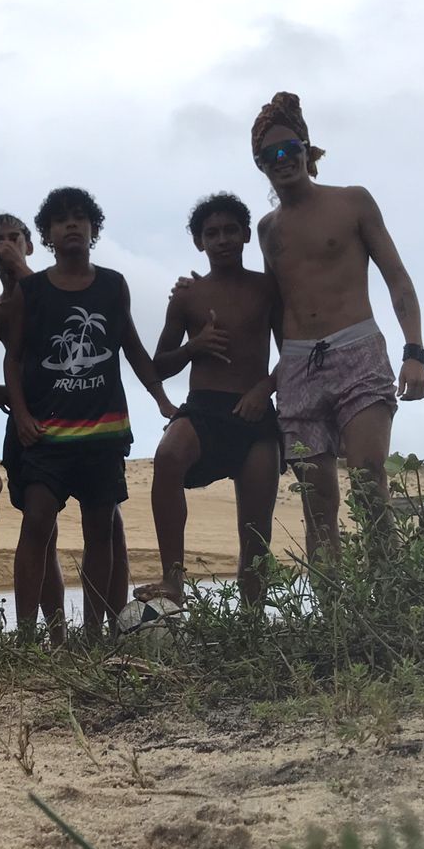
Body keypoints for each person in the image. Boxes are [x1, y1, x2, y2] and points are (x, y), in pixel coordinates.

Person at [252, 91, 424, 565]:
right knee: (317, 502)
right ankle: (335, 605)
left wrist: (415, 351)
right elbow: (276, 308)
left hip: (358, 351)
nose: (282, 159)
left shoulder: (353, 202)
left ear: (307, 149)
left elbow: (397, 278)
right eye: (270, 154)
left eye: (290, 148)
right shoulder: (268, 230)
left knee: (369, 479)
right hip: (298, 367)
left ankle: (390, 596)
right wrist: (276, 378)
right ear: (260, 165)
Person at [3, 187, 176, 640]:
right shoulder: (30, 291)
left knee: (100, 528)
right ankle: (26, 635)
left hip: (103, 432)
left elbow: (133, 348)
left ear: (93, 228)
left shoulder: (113, 284)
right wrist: (20, 414)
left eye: (80, 217)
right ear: (47, 234)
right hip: (47, 433)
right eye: (61, 220)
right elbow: (12, 359)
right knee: (37, 520)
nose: (71, 225)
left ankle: (95, 633)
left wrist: (161, 399)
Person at [0, 211, 130, 639]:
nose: (6, 246)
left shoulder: (47, 285)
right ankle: (54, 633)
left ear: (30, 244)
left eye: (15, 237)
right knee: (39, 524)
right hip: (33, 424)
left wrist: (22, 270)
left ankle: (110, 629)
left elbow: (62, 309)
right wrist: (5, 396)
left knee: (108, 522)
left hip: (89, 419)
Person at [144, 194, 282, 606]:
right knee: (168, 456)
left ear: (246, 234)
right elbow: (158, 365)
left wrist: (264, 388)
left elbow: (294, 348)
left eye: (230, 231)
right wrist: (194, 347)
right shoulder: (188, 296)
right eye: (212, 233)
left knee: (255, 530)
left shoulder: (267, 288)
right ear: (198, 242)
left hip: (254, 413)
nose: (222, 240)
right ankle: (172, 580)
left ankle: (252, 619)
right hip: (203, 407)